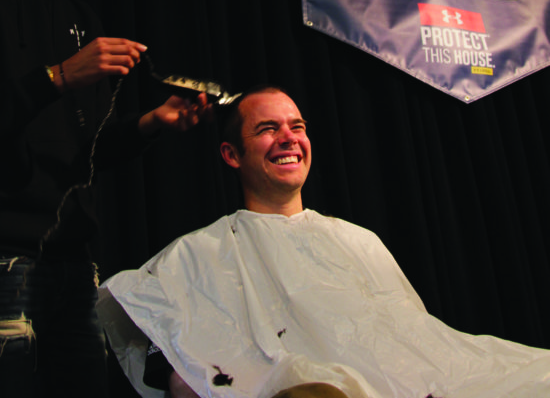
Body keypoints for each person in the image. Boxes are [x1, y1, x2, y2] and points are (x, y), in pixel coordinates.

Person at [99, 86, 550, 398]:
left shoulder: (360, 242)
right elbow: (187, 377)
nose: (289, 138)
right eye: (267, 129)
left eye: (297, 126)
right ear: (231, 155)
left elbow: (418, 341)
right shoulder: (199, 255)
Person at [0, 0, 209, 397]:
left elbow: (84, 152)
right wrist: (60, 76)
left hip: (72, 260)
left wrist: (150, 124)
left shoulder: (78, 17)